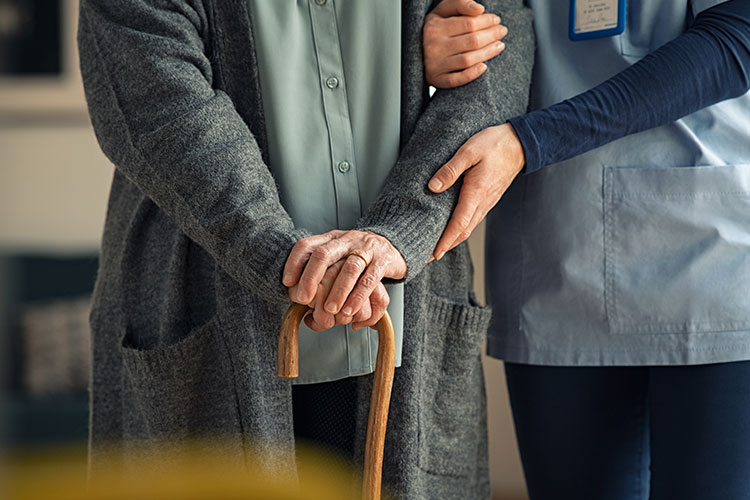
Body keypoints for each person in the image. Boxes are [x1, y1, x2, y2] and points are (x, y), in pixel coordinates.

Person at [77, 0, 533, 497]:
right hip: (208, 306)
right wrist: (292, 260)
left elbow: (499, 51)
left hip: (407, 318)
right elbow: (161, 106)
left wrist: (400, 233)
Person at [422, 0, 750, 498]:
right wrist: (432, 48)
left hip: (713, 265)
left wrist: (531, 141)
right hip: (555, 255)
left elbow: (737, 40)